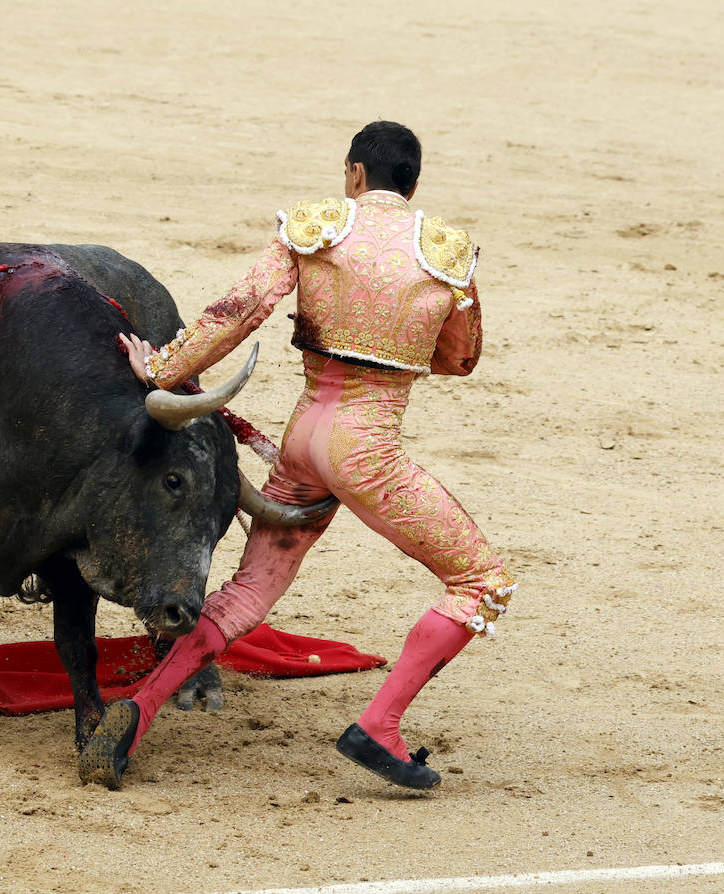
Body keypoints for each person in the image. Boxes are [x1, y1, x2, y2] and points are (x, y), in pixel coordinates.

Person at [79, 121, 516, 790]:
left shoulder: (316, 227)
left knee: (247, 593)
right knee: (482, 582)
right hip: (367, 448)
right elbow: (461, 359)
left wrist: (164, 369)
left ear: (354, 175)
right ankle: (380, 726)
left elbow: (240, 308)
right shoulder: (446, 254)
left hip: (304, 435)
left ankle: (138, 708)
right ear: (413, 185)